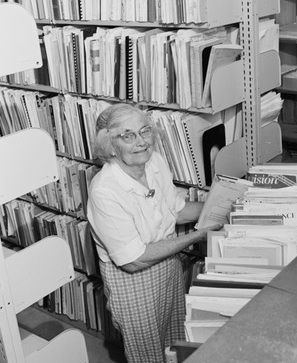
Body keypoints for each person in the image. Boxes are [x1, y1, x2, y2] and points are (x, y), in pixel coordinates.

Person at [87, 102, 221, 363]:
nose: (141, 142)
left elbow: (176, 210)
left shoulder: (154, 161)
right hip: (134, 281)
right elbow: (134, 260)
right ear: (109, 145)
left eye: (145, 131)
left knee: (173, 341)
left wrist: (217, 207)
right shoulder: (104, 190)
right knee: (147, 355)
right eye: (128, 135)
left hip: (168, 268)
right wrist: (196, 236)